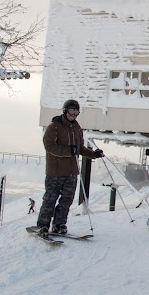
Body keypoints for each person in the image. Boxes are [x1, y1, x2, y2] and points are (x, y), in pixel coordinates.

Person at [36, 99, 104, 238]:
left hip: (71, 171)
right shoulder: (54, 127)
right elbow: (49, 147)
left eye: (76, 112)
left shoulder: (77, 128)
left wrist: (93, 154)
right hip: (55, 170)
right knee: (50, 198)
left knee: (66, 199)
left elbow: (79, 149)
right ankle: (43, 225)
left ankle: (59, 224)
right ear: (65, 111)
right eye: (71, 111)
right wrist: (69, 151)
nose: (74, 114)